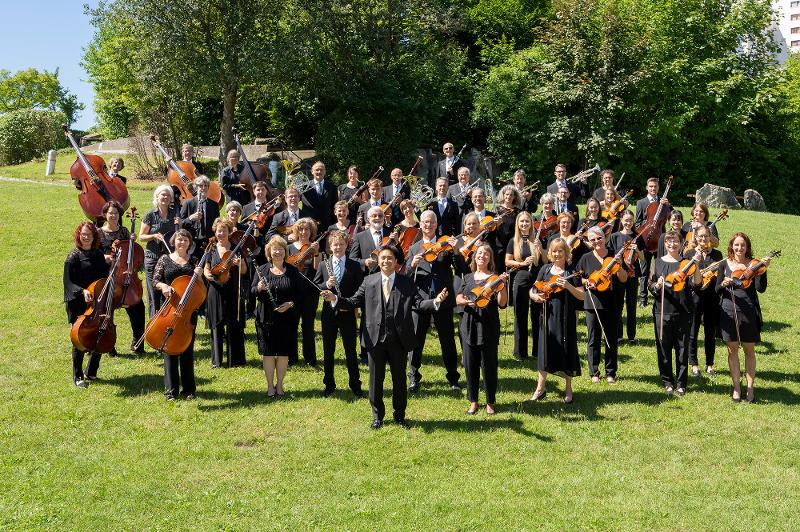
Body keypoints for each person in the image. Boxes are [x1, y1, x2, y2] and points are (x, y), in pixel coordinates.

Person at [321, 246, 447, 429]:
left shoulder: (406, 282)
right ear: (378, 261)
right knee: (375, 380)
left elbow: (418, 303)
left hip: (399, 340)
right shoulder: (369, 281)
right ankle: (377, 416)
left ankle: (400, 415)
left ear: (396, 262)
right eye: (383, 258)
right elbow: (353, 302)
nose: (386, 261)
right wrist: (334, 298)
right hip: (374, 340)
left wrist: (435, 302)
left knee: (399, 380)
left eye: (390, 258)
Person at [406, 210, 461, 392]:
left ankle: (453, 377)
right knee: (415, 340)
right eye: (424, 222)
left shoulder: (444, 244)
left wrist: (455, 250)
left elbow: (461, 268)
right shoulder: (414, 248)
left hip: (443, 298)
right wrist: (411, 265)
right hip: (420, 300)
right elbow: (405, 275)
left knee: (447, 341)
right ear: (420, 225)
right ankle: (414, 377)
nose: (428, 225)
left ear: (436, 225)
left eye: (431, 222)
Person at [529, 238, 585, 403]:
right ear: (550, 253)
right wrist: (535, 296)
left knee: (567, 349)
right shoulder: (545, 270)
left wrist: (568, 286)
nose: (557, 254)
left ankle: (568, 388)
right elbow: (533, 289)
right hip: (547, 315)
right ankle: (540, 388)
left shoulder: (571, 271)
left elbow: (582, 295)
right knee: (544, 350)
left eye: (560, 251)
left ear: (566, 253)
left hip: (565, 316)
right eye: (554, 251)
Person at [455, 242, 509, 415]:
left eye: (486, 254)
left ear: (490, 258)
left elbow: (502, 303)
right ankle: (473, 401)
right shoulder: (468, 278)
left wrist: (502, 286)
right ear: (474, 257)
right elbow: (458, 299)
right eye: (479, 253)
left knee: (489, 365)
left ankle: (490, 402)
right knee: (470, 366)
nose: (482, 256)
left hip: (488, 326)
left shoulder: (495, 278)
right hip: (469, 324)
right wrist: (467, 301)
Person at [716, 232, 769, 403]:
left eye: (743, 245)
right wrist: (723, 284)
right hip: (729, 310)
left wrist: (762, 271)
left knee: (749, 350)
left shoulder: (754, 265)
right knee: (732, 350)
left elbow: (761, 289)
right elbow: (716, 290)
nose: (739, 248)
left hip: (748, 311)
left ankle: (751, 388)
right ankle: (737, 388)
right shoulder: (724, 264)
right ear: (732, 246)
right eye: (736, 245)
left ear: (747, 247)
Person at [649, 231, 702, 396]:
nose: (672, 244)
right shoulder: (657, 263)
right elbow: (650, 286)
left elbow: (697, 284)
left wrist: (697, 265)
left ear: (681, 244)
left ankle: (681, 383)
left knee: (682, 349)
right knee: (663, 348)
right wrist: (657, 285)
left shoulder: (687, 263)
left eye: (675, 241)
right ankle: (667, 382)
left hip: (683, 311)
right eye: (669, 241)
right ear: (665, 244)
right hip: (662, 311)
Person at [314, 231, 365, 398]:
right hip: (329, 314)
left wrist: (351, 304)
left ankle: (355, 385)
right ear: (330, 246)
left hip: (348, 313)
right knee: (328, 351)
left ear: (346, 246)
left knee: (351, 350)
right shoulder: (324, 265)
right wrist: (325, 284)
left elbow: (360, 291)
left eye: (341, 244)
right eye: (335, 244)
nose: (338, 247)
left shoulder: (355, 265)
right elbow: (315, 286)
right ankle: (329, 384)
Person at [152, 229, 201, 400]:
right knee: (169, 349)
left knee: (187, 349)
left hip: (187, 313)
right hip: (169, 309)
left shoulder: (194, 262)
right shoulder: (165, 259)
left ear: (189, 243)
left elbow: (200, 289)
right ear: (174, 241)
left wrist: (200, 277)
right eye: (179, 239)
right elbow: (155, 281)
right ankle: (170, 391)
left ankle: (189, 390)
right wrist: (164, 287)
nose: (182, 242)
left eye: (185, 240)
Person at [252, 236, 302, 397]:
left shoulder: (293, 271)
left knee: (282, 353)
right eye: (275, 249)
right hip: (266, 318)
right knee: (268, 353)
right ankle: (269, 386)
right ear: (269, 252)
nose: (278, 251)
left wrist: (290, 304)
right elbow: (251, 292)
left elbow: (299, 295)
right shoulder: (262, 270)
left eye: (281, 249)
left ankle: (279, 385)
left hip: (286, 318)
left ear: (285, 252)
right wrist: (259, 287)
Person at [577, 226, 628, 384]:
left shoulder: (614, 255)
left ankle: (611, 372)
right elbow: (579, 279)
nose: (597, 241)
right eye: (593, 239)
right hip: (593, 302)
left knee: (611, 338)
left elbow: (624, 278)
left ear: (604, 238)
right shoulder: (585, 258)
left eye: (599, 238)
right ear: (590, 242)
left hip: (613, 301)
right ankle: (594, 372)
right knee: (593, 338)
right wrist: (588, 282)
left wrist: (619, 266)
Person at [97, 200, 146, 356]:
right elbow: (93, 254)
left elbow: (130, 255)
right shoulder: (98, 233)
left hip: (126, 277)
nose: (113, 215)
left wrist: (132, 241)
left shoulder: (124, 231)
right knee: (107, 312)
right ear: (105, 214)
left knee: (138, 308)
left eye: (116, 213)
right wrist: (103, 256)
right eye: (110, 213)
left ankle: (138, 344)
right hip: (108, 277)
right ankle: (110, 346)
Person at [64, 222, 109, 387]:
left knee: (100, 334)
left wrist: (112, 264)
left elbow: (105, 277)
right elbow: (68, 283)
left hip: (97, 302)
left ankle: (91, 372)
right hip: (78, 303)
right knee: (79, 339)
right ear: (79, 235)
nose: (86, 237)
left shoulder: (98, 254)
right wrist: (82, 291)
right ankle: (77, 376)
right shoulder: (73, 257)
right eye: (83, 234)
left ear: (94, 236)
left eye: (89, 234)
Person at [203, 218, 248, 368]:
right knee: (216, 325)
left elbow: (244, 271)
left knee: (233, 324)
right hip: (215, 290)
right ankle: (217, 361)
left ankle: (235, 360)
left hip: (233, 290)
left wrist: (239, 264)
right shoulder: (211, 248)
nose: (221, 233)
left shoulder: (236, 248)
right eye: (218, 231)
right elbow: (206, 268)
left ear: (229, 232)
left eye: (224, 230)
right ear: (215, 232)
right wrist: (207, 274)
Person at [505, 210, 543, 360]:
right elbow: (507, 261)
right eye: (522, 221)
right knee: (520, 315)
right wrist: (522, 263)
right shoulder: (513, 241)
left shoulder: (538, 239)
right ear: (518, 224)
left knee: (537, 314)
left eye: (527, 221)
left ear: (531, 223)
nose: (524, 224)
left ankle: (537, 351)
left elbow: (545, 260)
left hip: (537, 278)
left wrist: (541, 249)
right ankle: (520, 352)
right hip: (520, 277)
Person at [139, 184, 180, 319]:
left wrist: (179, 224)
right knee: (153, 292)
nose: (165, 197)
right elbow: (141, 236)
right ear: (157, 197)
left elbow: (178, 235)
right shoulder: (150, 215)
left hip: (168, 259)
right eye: (162, 194)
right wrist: (154, 236)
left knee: (167, 289)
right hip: (153, 257)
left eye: (168, 195)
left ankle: (166, 321)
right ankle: (153, 322)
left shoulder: (175, 214)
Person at [687, 226, 723, 378]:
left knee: (710, 333)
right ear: (696, 238)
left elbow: (721, 276)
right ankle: (694, 364)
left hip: (712, 298)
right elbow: (686, 277)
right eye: (700, 237)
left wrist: (713, 278)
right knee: (692, 332)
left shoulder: (717, 255)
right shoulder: (690, 254)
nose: (703, 239)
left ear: (710, 238)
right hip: (695, 298)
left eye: (706, 236)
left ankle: (710, 365)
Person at [287, 218, 321, 366]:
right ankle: (292, 358)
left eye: (306, 229)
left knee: (308, 326)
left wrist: (316, 253)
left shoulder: (314, 247)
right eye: (300, 229)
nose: (303, 232)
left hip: (310, 292)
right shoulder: (289, 248)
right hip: (292, 292)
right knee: (292, 325)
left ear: (311, 231)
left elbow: (317, 268)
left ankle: (310, 359)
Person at [635, 177, 672, 307]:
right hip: (645, 240)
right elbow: (637, 223)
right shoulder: (641, 203)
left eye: (655, 186)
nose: (653, 189)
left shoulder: (664, 203)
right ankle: (643, 299)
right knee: (644, 271)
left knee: (661, 268)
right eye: (650, 186)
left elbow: (673, 218)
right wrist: (648, 225)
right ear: (647, 187)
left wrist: (668, 205)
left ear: (658, 188)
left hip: (659, 240)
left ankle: (661, 294)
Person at [609, 210, 640, 345]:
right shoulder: (614, 236)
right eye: (626, 220)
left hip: (633, 275)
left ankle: (632, 336)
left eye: (630, 220)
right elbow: (610, 255)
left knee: (631, 305)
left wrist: (638, 250)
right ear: (621, 220)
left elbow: (643, 258)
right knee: (618, 305)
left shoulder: (637, 236)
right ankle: (619, 334)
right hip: (618, 274)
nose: (628, 223)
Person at [179, 175, 220, 259]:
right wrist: (190, 218)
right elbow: (180, 223)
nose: (203, 188)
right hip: (191, 242)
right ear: (196, 187)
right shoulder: (188, 203)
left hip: (208, 243)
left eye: (206, 186)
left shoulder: (214, 205)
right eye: (200, 186)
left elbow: (217, 225)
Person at [350, 206, 389, 274]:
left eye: (380, 216)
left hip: (387, 277)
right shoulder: (359, 237)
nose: (377, 218)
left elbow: (400, 259)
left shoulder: (390, 234)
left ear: (384, 218)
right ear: (368, 219)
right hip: (367, 278)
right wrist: (364, 262)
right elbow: (352, 259)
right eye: (374, 216)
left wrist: (396, 243)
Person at [301, 161, 338, 230]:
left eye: (321, 170)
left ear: (325, 172)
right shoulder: (304, 187)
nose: (319, 172)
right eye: (317, 170)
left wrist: (335, 224)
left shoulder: (332, 187)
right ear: (312, 171)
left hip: (328, 224)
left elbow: (335, 206)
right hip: (309, 225)